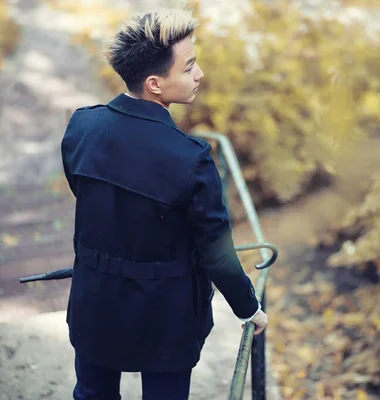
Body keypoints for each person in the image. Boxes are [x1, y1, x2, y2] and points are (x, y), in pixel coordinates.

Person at [60, 8, 268, 400]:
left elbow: (88, 196)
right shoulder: (191, 157)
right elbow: (215, 251)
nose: (199, 74)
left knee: (92, 393)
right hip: (165, 314)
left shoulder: (82, 126)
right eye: (189, 67)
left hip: (95, 299)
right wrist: (248, 306)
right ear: (155, 84)